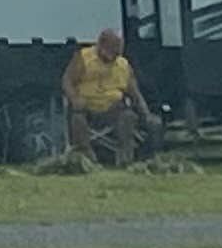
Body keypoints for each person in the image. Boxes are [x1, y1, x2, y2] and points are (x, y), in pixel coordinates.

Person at [63, 24, 154, 163]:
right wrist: (74, 98)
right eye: (111, 50)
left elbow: (135, 94)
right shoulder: (83, 58)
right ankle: (86, 157)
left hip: (112, 109)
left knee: (128, 116)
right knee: (77, 118)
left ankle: (125, 159)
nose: (113, 56)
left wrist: (146, 113)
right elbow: (67, 81)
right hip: (86, 108)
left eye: (117, 52)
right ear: (101, 45)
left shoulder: (123, 65)